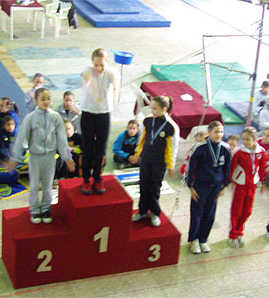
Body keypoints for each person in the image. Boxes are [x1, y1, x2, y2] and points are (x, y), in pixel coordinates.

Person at [11, 88, 75, 224]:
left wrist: (67, 157)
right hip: (35, 157)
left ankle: (46, 209)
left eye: (48, 98)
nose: (46, 101)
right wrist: (15, 158)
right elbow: (21, 138)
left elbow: (62, 140)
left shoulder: (56, 117)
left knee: (48, 185)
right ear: (36, 100)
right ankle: (34, 210)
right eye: (43, 99)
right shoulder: (30, 118)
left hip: (50, 156)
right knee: (34, 185)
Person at [129, 96, 176, 227]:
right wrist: (138, 154)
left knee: (154, 188)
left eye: (155, 108)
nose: (152, 111)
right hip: (146, 159)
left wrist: (171, 165)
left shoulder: (170, 127)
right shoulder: (148, 121)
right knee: (143, 185)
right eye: (152, 108)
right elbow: (143, 139)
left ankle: (155, 212)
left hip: (159, 162)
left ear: (164, 109)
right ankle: (143, 210)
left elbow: (172, 148)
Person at [185, 121, 231, 254]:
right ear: (209, 132)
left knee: (210, 214)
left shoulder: (225, 148)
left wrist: (225, 186)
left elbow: (227, 168)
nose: (219, 134)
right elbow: (191, 168)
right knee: (197, 213)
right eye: (216, 132)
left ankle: (203, 239)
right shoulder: (200, 148)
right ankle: (193, 239)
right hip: (200, 185)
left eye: (221, 132)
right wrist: (190, 186)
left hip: (216, 186)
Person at [79, 48, 120, 195]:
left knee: (101, 148)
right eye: (96, 65)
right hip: (88, 113)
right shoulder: (88, 70)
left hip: (104, 114)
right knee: (87, 148)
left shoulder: (112, 72)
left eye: (102, 65)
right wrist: (92, 80)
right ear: (92, 63)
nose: (99, 68)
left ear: (107, 62)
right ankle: (86, 179)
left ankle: (97, 177)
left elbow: (116, 86)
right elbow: (88, 79)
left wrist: (114, 94)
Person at [229, 127, 267, 248]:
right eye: (243, 139)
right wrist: (229, 182)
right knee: (237, 210)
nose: (245, 142)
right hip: (240, 184)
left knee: (247, 211)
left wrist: (263, 182)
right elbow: (232, 168)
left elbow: (262, 168)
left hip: (253, 185)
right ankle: (234, 235)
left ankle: (240, 231)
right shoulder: (238, 152)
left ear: (255, 139)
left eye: (248, 139)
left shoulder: (261, 152)